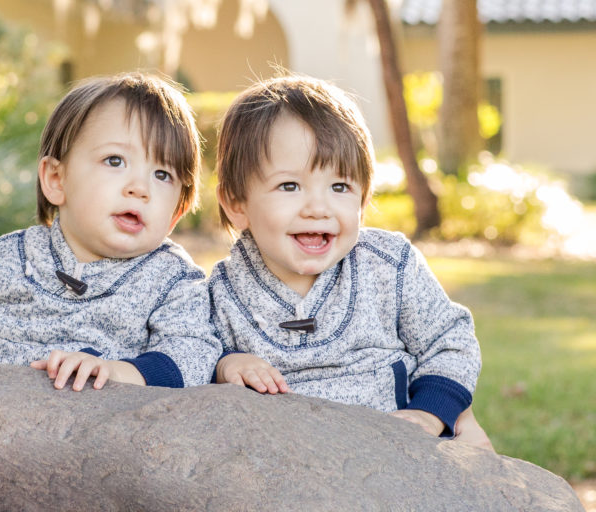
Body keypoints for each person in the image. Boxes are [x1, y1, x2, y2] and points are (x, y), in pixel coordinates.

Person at [208, 73, 493, 448]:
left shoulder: (388, 266)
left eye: (339, 187)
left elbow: (449, 340)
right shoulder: (222, 292)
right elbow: (190, 356)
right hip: (291, 466)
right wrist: (225, 365)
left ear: (362, 199)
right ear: (236, 203)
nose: (318, 207)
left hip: (400, 449)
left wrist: (430, 412)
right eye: (289, 186)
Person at [0, 72, 221, 391]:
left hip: (87, 433)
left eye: (162, 174)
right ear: (56, 179)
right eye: (115, 161)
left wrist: (120, 372)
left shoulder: (171, 279)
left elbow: (195, 354)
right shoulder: (4, 259)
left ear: (176, 211)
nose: (140, 188)